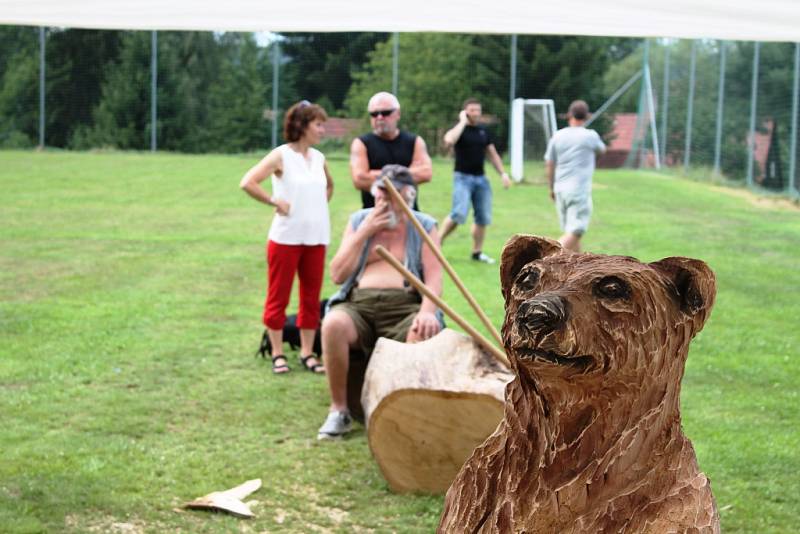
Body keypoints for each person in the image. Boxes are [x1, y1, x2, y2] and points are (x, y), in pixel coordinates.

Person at [317, 164, 443, 440]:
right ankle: (339, 411)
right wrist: (365, 231)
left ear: (408, 195)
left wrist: (427, 312)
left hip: (404, 306)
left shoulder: (423, 225)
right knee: (333, 324)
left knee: (421, 331)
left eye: (391, 194)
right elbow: (337, 274)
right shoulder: (359, 220)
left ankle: (402, 414)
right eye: (380, 192)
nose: (383, 200)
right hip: (358, 304)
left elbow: (434, 277)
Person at [239, 100, 334, 375]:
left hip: (316, 237)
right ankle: (278, 353)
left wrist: (316, 207)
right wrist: (274, 201)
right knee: (278, 296)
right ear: (302, 126)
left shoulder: (319, 158)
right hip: (286, 239)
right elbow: (248, 182)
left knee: (311, 297)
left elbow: (329, 186)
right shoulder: (281, 155)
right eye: (318, 124)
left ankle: (307, 353)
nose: (322, 130)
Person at [439, 98, 512, 264]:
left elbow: (492, 154)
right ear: (465, 111)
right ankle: (437, 242)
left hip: (481, 179)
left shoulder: (483, 131)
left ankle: (477, 252)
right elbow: (449, 140)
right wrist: (462, 122)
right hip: (462, 178)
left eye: (478, 110)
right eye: (472, 110)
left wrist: (503, 174)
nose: (476, 113)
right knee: (458, 214)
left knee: (483, 217)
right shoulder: (460, 130)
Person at [350, 92, 433, 209]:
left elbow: (426, 173)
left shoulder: (414, 141)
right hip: (373, 213)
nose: (379, 117)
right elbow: (359, 179)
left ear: (398, 114)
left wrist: (375, 174)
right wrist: (405, 174)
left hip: (408, 213)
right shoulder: (361, 143)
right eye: (374, 114)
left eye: (385, 113)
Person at [544, 100, 606, 252]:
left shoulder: (557, 136)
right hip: (578, 191)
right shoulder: (590, 136)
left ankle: (577, 273)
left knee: (571, 235)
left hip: (560, 190)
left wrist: (551, 187)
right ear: (587, 116)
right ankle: (543, 262)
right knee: (576, 231)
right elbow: (602, 151)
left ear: (569, 115)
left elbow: (550, 164)